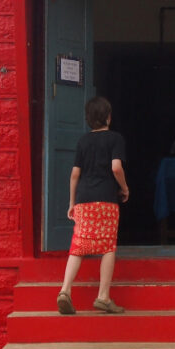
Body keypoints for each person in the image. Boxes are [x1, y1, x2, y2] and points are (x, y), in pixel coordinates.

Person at [57, 96, 129, 315]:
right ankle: (103, 297)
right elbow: (116, 168)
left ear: (89, 119)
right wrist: (125, 188)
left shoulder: (83, 141)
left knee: (78, 245)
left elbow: (74, 174)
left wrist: (72, 202)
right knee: (107, 245)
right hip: (105, 197)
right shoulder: (115, 139)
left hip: (84, 199)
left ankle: (64, 291)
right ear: (108, 116)